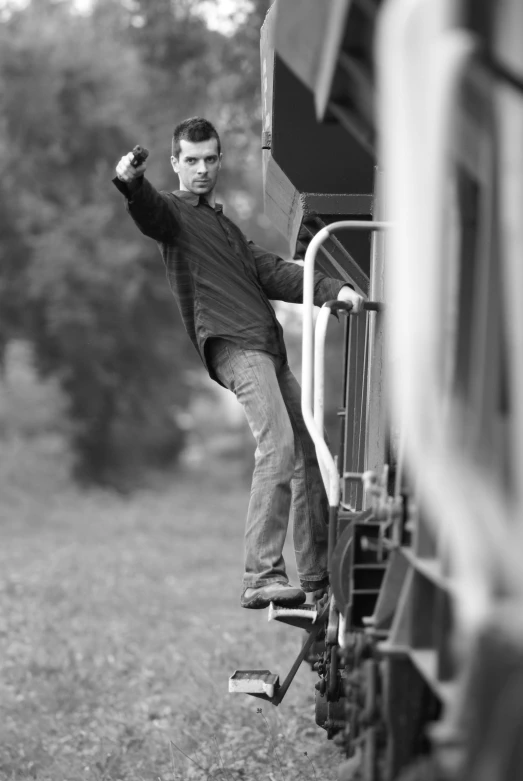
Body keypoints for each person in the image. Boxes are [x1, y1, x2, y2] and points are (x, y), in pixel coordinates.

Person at [114, 117, 363, 609]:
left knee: (312, 448)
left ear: (219, 159)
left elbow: (273, 272)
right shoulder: (173, 214)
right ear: (175, 164)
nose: (202, 169)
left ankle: (314, 578)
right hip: (233, 344)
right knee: (279, 443)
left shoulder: (224, 226)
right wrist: (130, 183)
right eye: (191, 160)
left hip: (268, 349)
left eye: (210, 158)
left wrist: (336, 289)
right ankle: (260, 575)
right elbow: (148, 212)